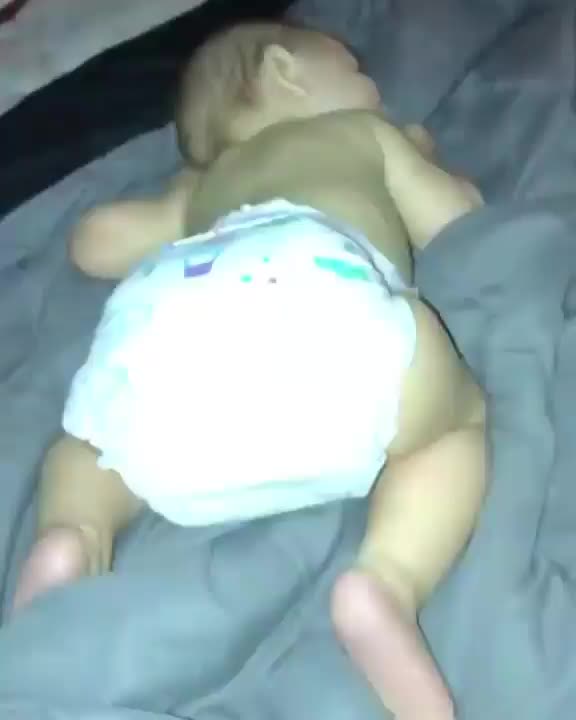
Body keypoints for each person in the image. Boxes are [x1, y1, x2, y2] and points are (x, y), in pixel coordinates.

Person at [13, 21, 486, 720]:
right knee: (454, 423)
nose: (375, 88)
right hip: (315, 308)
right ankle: (386, 582)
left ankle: (74, 534)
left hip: (171, 327)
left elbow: (94, 243)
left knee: (89, 449)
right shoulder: (360, 135)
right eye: (357, 70)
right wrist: (423, 159)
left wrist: (178, 205)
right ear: (287, 72)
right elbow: (458, 217)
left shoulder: (201, 190)